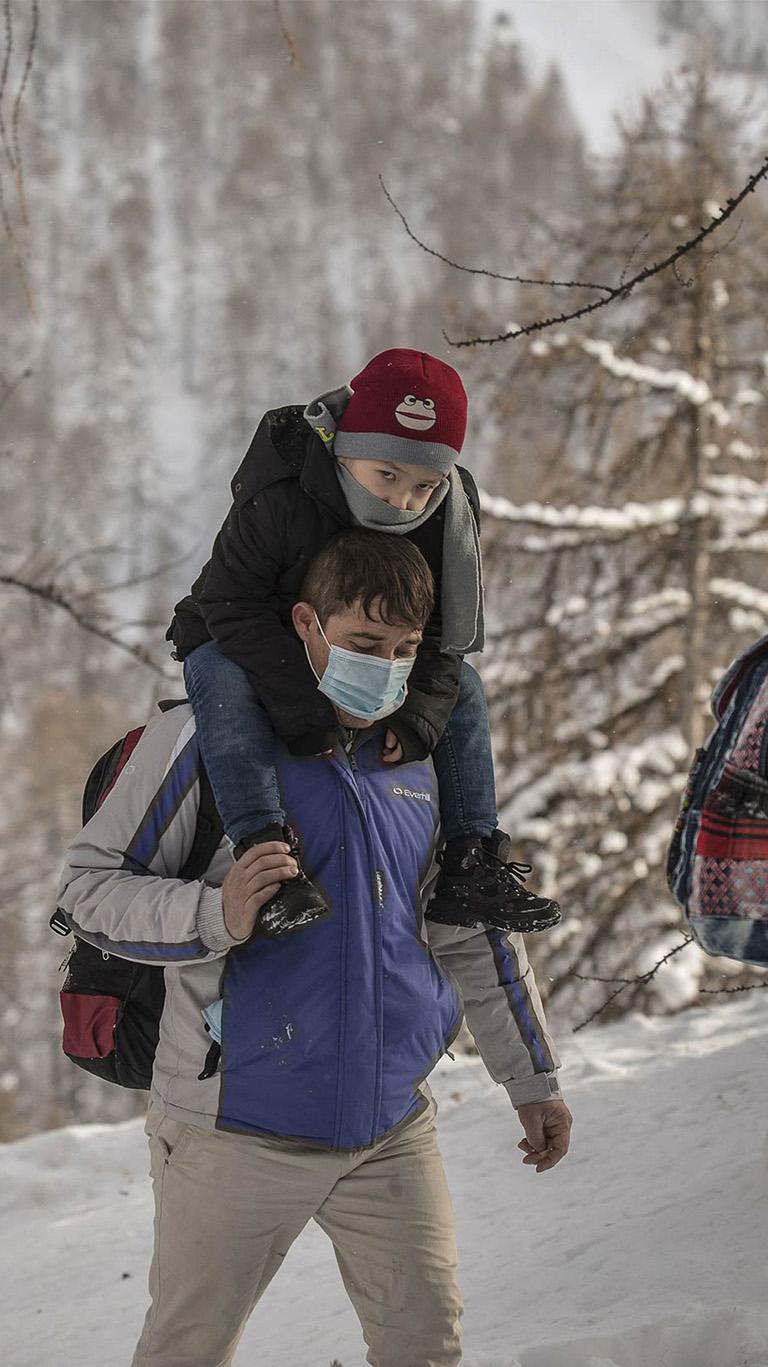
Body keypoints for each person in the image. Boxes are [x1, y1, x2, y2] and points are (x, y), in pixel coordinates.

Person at [57, 530, 572, 1367]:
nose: (388, 668)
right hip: (234, 1132)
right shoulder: (203, 744)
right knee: (186, 1352)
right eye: (366, 644)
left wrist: (533, 1077)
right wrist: (215, 912)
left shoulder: (424, 753)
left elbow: (468, 924)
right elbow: (87, 892)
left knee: (426, 1347)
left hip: (389, 1127)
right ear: (306, 624)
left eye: (406, 649)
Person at [169, 347, 561, 939]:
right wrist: (302, 705)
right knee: (221, 681)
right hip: (249, 635)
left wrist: (417, 723)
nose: (400, 502)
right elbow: (230, 602)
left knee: (466, 691)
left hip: (373, 642)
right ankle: (267, 856)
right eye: (386, 475)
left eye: (424, 486)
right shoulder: (281, 495)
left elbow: (441, 638)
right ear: (343, 445)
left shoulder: (445, 518)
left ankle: (470, 862)